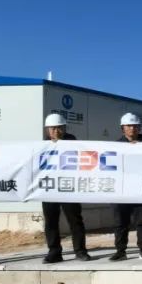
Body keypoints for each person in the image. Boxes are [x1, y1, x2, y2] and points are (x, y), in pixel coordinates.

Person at [40, 113, 92, 263]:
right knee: (51, 221)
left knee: (75, 220)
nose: (56, 131)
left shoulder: (73, 142)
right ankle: (54, 252)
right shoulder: (41, 146)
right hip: (49, 188)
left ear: (64, 128)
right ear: (47, 130)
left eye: (59, 128)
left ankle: (80, 251)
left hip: (69, 187)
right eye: (53, 128)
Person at [112, 113, 142, 261]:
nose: (132, 128)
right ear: (122, 128)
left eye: (135, 126)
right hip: (122, 190)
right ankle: (120, 251)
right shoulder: (115, 145)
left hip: (140, 189)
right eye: (129, 126)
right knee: (120, 222)